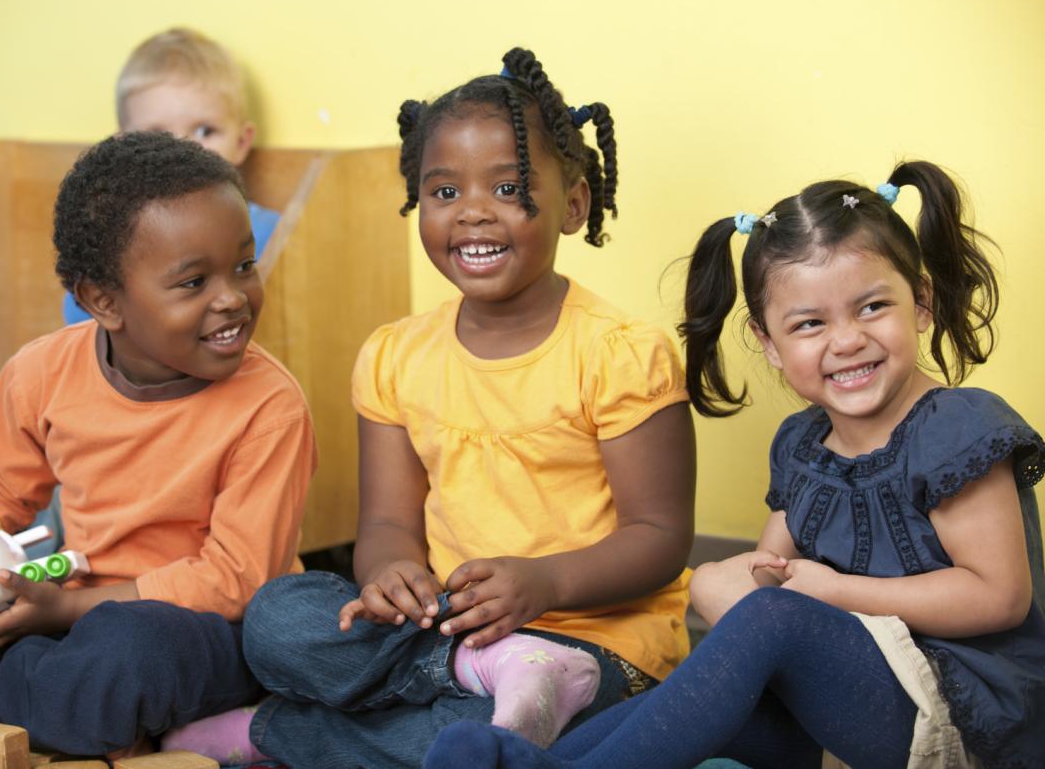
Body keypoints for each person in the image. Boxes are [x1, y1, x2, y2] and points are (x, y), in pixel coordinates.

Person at [162, 47, 696, 769]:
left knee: (467, 737)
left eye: (507, 188)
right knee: (275, 619)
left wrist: (545, 582)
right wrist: (391, 574)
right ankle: (465, 681)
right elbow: (386, 524)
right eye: (444, 192)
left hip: (598, 649)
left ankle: (275, 734)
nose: (472, 211)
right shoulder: (395, 355)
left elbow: (661, 538)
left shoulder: (620, 354)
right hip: (446, 635)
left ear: (574, 204)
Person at [423, 161, 1045, 769]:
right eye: (810, 323)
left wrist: (832, 593)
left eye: (872, 307)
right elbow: (770, 573)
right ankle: (535, 760)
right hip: (847, 710)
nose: (847, 339)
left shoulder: (956, 429)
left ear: (922, 302)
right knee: (724, 692)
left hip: (961, 717)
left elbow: (999, 598)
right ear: (769, 344)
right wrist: (722, 581)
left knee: (770, 624)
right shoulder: (804, 444)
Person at [0, 132, 317, 759]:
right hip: (70, 612)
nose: (232, 297)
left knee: (126, 655)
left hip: (205, 633)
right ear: (102, 300)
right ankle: (43, 694)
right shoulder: (40, 372)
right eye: (193, 282)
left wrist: (65, 614)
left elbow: (236, 580)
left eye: (243, 266)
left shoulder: (270, 407)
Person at [0, 27, 279, 555]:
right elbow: (83, 336)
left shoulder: (256, 229)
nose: (183, 148)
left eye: (205, 130)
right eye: (158, 134)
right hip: (110, 380)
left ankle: (39, 568)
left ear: (242, 141)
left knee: (76, 436)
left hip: (188, 394)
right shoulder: (120, 239)